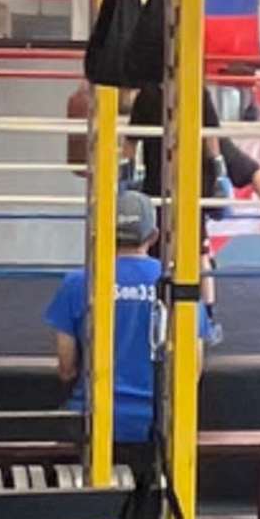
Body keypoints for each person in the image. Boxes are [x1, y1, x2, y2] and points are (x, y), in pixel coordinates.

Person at [44, 190, 214, 449]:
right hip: (157, 421)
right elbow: (193, 368)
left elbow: (66, 367)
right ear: (153, 236)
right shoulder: (177, 285)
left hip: (93, 420)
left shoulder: (77, 283)